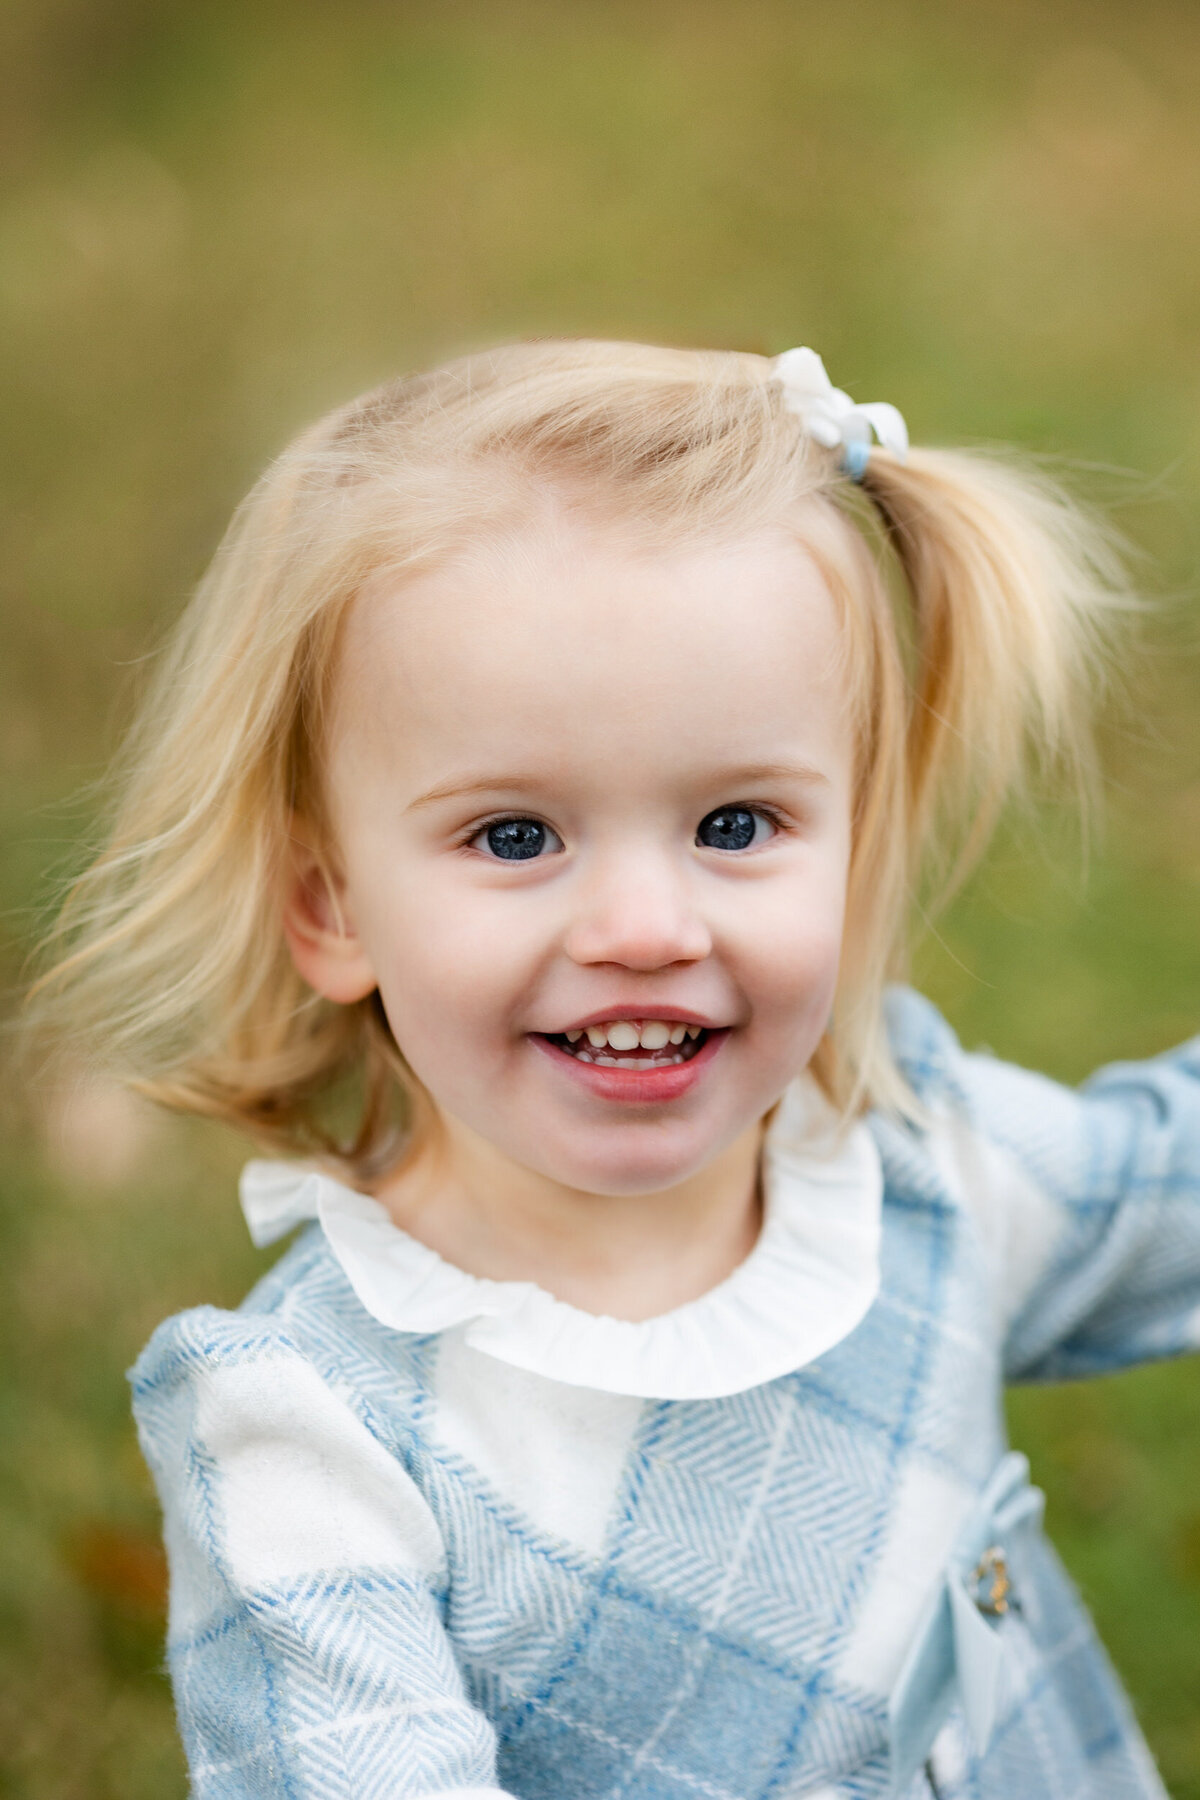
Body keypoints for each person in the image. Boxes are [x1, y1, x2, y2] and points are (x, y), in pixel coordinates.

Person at [29, 339, 1199, 1798]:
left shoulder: (908, 1159)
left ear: (856, 847)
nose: (645, 930)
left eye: (736, 824)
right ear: (332, 907)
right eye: (514, 837)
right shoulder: (322, 1442)